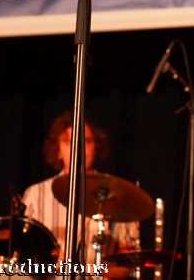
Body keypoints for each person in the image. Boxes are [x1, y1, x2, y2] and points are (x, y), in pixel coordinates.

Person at [21, 112, 138, 264]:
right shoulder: (35, 195)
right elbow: (23, 255)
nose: (77, 148)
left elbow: (128, 263)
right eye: (68, 142)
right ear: (57, 150)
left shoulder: (118, 193)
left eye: (86, 141)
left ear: (96, 148)